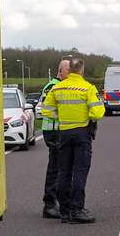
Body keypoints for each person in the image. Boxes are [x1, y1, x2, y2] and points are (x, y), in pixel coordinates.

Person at [40, 58, 105, 224]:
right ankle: (77, 209)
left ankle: (64, 211)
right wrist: (85, 117)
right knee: (80, 171)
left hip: (64, 132)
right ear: (81, 71)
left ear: (69, 71)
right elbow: (98, 112)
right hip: (82, 133)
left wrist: (62, 116)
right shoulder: (88, 88)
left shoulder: (57, 87)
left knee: (64, 171)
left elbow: (46, 110)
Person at [39, 60, 71, 218]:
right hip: (53, 131)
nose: (70, 73)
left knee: (61, 167)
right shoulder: (52, 86)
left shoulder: (62, 86)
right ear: (60, 71)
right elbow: (47, 107)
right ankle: (49, 204)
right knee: (55, 167)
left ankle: (58, 201)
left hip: (60, 130)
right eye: (68, 70)